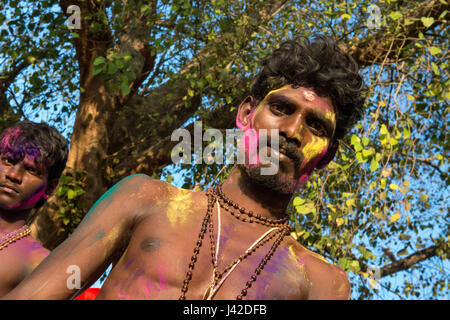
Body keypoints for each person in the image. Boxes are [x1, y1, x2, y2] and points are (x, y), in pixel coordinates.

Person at [4, 35, 365, 300]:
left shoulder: (321, 281)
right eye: (281, 109)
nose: (291, 131)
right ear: (245, 114)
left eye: (316, 126)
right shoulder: (144, 198)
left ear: (327, 156)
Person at [0, 121, 68, 298]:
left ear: (50, 188)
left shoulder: (40, 263)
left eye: (32, 170)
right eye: (8, 160)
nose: (13, 175)